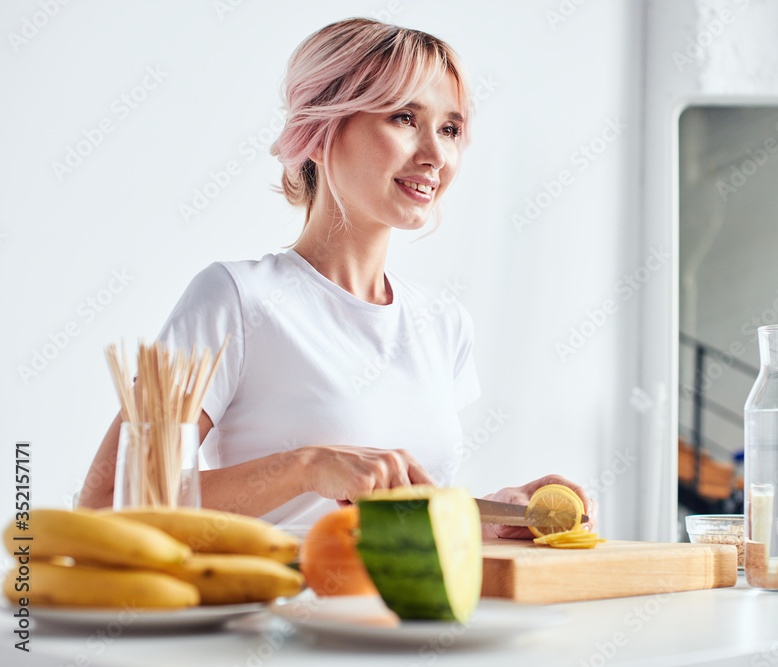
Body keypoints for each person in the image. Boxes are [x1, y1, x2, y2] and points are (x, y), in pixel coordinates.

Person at [78, 18, 597, 537]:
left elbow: (404, 520)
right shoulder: (234, 300)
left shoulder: (443, 324)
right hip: (276, 613)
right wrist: (305, 468)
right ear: (322, 130)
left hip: (409, 616)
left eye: (450, 129)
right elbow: (107, 506)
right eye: (402, 117)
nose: (436, 155)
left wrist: (498, 512)